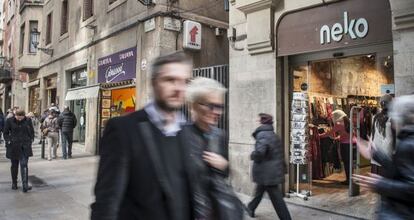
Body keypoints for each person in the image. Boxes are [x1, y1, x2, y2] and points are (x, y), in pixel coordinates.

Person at [91, 52, 198, 220]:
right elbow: (106, 202)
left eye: (185, 82)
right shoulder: (123, 129)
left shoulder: (188, 132)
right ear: (154, 83)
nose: (179, 88)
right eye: (170, 80)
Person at [182, 77, 242, 219]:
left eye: (220, 106)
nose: (217, 112)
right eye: (211, 106)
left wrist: (224, 165)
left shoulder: (219, 135)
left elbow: (223, 176)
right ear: (193, 105)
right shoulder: (179, 136)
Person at [354, 95, 414, 219]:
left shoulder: (408, 143)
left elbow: (410, 187)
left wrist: (381, 184)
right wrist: (375, 153)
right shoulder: (406, 139)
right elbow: (399, 168)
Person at [245, 113, 291, 220]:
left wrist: (253, 155)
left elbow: (260, 152)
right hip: (270, 171)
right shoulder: (273, 134)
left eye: (259, 120)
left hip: (267, 172)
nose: (257, 121)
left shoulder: (263, 135)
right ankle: (251, 207)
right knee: (259, 191)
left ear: (262, 121)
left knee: (277, 199)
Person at [321, 110, 356, 185]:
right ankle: (351, 179)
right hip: (351, 144)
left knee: (346, 163)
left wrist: (319, 136)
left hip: (344, 145)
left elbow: (329, 133)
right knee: (350, 162)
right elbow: (350, 134)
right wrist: (339, 137)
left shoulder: (338, 124)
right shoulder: (349, 122)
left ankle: (348, 180)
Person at [3, 109, 34, 192]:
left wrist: (31, 139)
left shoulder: (28, 120)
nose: (20, 119)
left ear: (24, 116)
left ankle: (25, 185)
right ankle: (14, 183)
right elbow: (5, 133)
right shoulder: (9, 121)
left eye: (21, 117)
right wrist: (9, 140)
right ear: (15, 115)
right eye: (18, 117)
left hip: (25, 146)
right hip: (13, 146)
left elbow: (31, 131)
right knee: (14, 166)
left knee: (24, 165)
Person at [370, 94, 394, 175]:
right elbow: (390, 139)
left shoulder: (375, 117)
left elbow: (373, 136)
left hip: (377, 152)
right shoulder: (392, 118)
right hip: (387, 155)